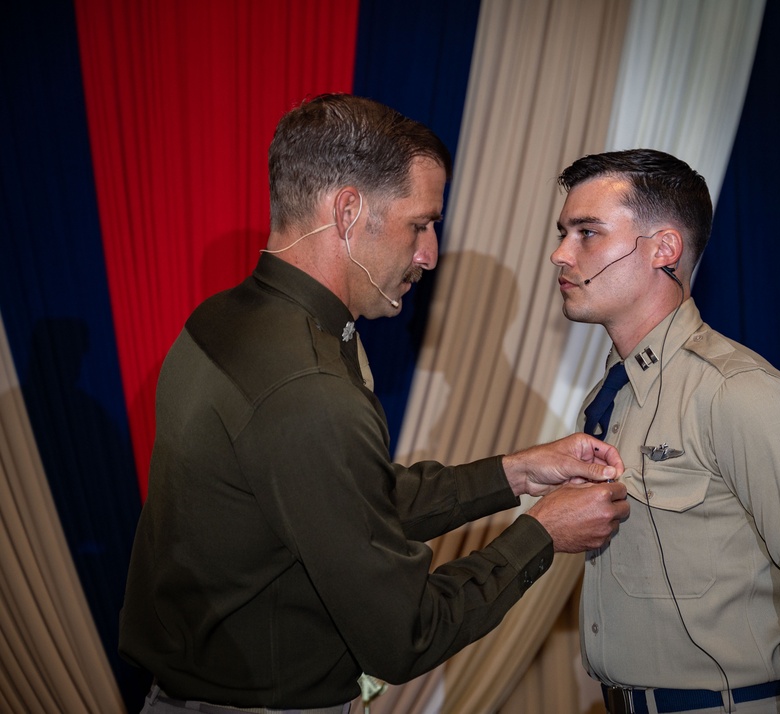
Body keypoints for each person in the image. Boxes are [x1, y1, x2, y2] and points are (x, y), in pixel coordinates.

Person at [119, 94, 631, 714]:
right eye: (421, 224)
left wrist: (518, 473)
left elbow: (346, 503)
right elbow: (404, 635)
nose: (429, 255)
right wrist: (542, 532)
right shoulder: (309, 389)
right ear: (348, 211)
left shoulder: (221, 319)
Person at [551, 149, 780, 714]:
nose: (560, 254)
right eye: (564, 232)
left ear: (664, 249)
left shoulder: (737, 391)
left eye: (587, 233)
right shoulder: (616, 391)